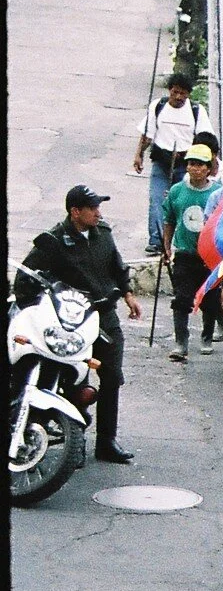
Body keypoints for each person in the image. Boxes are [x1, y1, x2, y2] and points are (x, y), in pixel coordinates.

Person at [15, 185, 143, 464]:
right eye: (93, 208)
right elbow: (26, 277)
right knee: (74, 379)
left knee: (112, 377)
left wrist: (129, 295)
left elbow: (118, 268)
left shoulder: (103, 234)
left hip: (103, 315)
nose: (99, 213)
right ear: (76, 212)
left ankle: (107, 441)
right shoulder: (52, 241)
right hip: (70, 321)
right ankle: (76, 444)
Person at [158, 144, 223, 362]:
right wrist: (166, 246)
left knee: (210, 299)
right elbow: (169, 220)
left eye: (200, 165)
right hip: (185, 253)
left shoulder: (217, 193)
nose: (195, 169)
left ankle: (206, 336)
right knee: (181, 298)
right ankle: (181, 342)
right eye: (191, 164)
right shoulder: (177, 191)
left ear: (209, 168)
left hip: (209, 255)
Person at [134, 73, 212, 254]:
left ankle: (181, 239)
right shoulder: (158, 106)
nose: (178, 97)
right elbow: (147, 135)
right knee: (157, 200)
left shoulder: (196, 111)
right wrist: (138, 155)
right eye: (175, 92)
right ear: (170, 90)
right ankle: (156, 240)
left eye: (183, 94)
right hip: (161, 161)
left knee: (182, 201)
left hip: (186, 164)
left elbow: (205, 139)